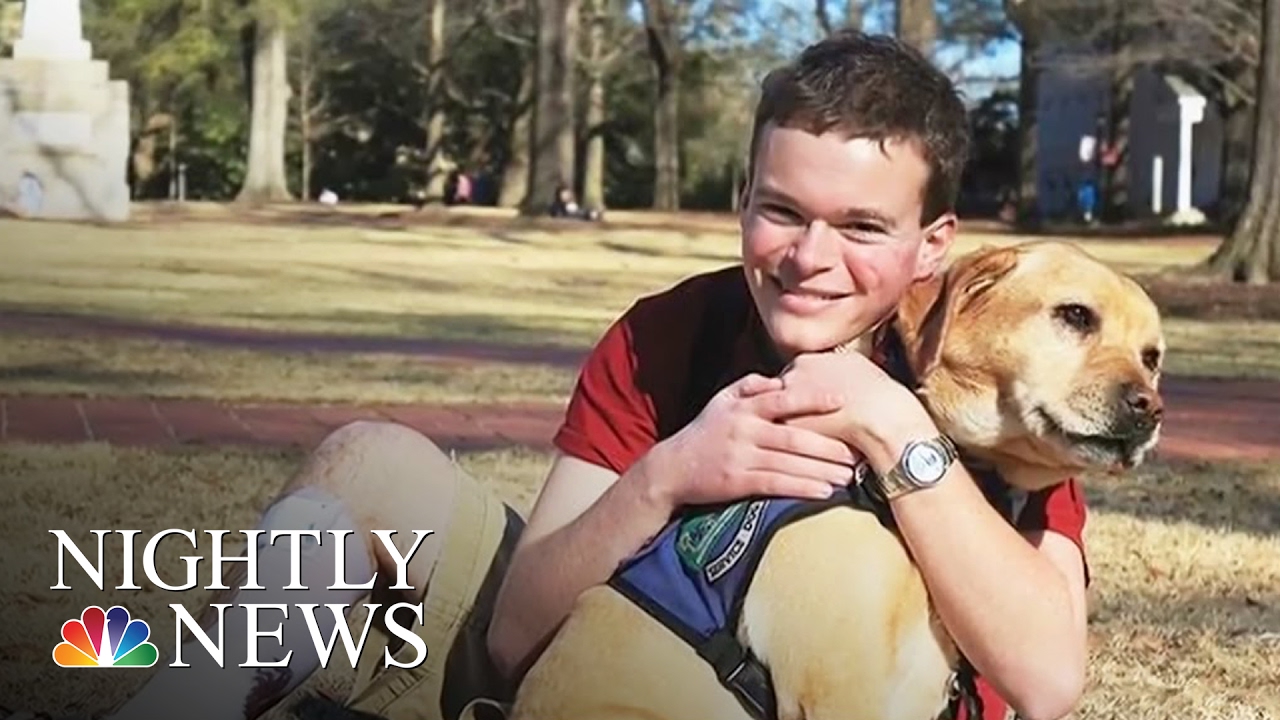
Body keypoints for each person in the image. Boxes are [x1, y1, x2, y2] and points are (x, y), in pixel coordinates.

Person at [48, 30, 1087, 720]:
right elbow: (510, 637)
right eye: (781, 211)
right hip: (581, 660)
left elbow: (1043, 680)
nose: (809, 257)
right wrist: (666, 477)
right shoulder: (669, 333)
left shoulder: (975, 373)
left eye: (861, 226)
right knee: (367, 466)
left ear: (930, 243)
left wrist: (893, 431)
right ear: (741, 203)